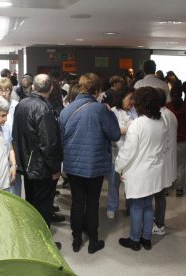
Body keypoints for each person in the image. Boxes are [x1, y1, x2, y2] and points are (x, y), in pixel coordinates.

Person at [60, 73, 121, 254]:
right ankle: (93, 241)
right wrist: (111, 114)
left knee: (77, 202)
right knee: (93, 203)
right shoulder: (101, 110)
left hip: (73, 165)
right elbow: (115, 134)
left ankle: (77, 239)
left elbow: (61, 139)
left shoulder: (66, 110)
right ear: (96, 90)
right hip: (95, 164)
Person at [116, 86, 166, 251]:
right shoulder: (161, 122)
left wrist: (119, 167)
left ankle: (134, 240)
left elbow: (128, 151)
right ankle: (146, 238)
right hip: (154, 171)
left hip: (138, 172)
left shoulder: (138, 124)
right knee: (147, 206)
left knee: (136, 206)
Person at [12, 74, 62, 230]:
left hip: (27, 163)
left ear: (33, 86)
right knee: (43, 206)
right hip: (41, 167)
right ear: (51, 88)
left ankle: (32, 237)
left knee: (32, 202)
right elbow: (48, 143)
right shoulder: (44, 108)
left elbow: (16, 135)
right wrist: (54, 168)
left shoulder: (21, 104)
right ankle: (43, 242)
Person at [106, 87, 134, 219]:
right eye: (130, 99)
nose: (132, 102)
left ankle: (130, 207)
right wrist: (128, 129)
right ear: (121, 99)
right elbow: (111, 132)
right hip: (115, 154)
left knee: (130, 184)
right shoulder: (112, 112)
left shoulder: (135, 112)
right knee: (113, 183)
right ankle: (112, 207)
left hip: (131, 156)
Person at [153, 88, 177, 236]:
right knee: (160, 195)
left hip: (162, 161)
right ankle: (158, 221)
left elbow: (161, 142)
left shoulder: (162, 116)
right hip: (166, 160)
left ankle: (159, 224)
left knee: (159, 196)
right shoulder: (169, 114)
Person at [166, 87, 186, 197]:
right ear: (181, 95)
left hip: (169, 141)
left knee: (168, 164)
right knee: (180, 166)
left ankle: (167, 188)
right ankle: (179, 189)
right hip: (182, 141)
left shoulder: (167, 108)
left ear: (171, 95)